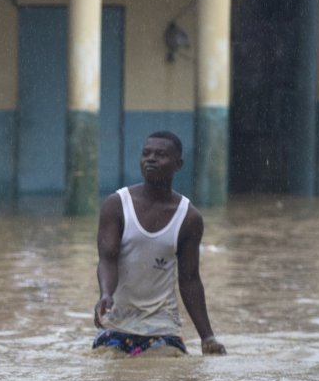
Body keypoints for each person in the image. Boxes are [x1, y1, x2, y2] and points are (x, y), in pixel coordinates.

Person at [93, 131, 227, 356]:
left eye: (160, 155)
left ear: (178, 164)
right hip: (117, 324)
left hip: (163, 327)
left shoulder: (189, 217)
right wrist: (105, 294)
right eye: (146, 154)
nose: (151, 159)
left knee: (163, 374)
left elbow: (190, 280)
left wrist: (207, 337)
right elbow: (107, 260)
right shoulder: (116, 204)